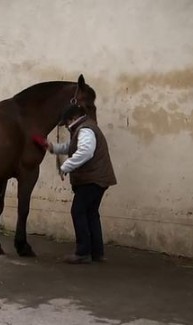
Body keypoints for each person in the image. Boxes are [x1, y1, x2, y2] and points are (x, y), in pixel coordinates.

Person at [46, 104, 117, 264]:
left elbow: (85, 151)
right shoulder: (86, 127)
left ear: (73, 118)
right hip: (98, 179)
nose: (66, 126)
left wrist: (65, 167)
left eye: (66, 123)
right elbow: (73, 147)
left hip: (91, 179)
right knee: (91, 214)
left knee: (78, 211)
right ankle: (97, 253)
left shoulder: (85, 130)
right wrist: (53, 148)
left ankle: (83, 252)